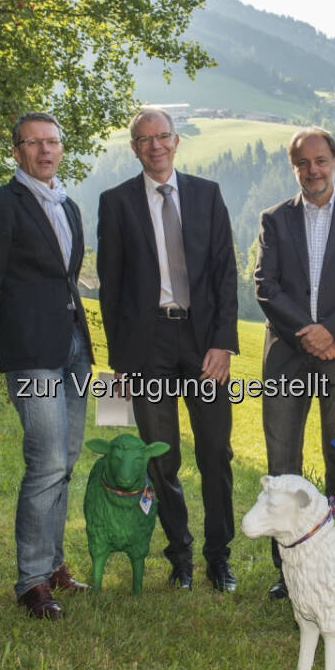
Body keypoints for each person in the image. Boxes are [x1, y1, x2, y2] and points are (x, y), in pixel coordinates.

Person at [96, 107, 239, 592]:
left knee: (216, 452)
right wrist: (121, 366)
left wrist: (222, 343)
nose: (155, 146)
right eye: (144, 139)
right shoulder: (115, 203)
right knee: (161, 457)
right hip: (146, 345)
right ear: (134, 148)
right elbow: (110, 290)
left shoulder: (207, 195)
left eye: (162, 137)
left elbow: (225, 274)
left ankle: (219, 556)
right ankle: (179, 554)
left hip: (203, 343)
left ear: (176, 142)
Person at [0, 112, 94, 620]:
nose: (45, 151)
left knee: (65, 460)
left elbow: (65, 281)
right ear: (16, 151)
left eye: (53, 142)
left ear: (62, 149)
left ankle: (57, 565)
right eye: (33, 143)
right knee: (44, 464)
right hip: (31, 355)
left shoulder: (70, 206)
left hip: (74, 351)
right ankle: (32, 581)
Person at [255, 127, 335, 600]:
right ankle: (288, 572)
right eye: (303, 163)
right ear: (294, 167)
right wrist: (307, 334)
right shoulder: (274, 218)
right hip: (287, 355)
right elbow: (265, 284)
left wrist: (334, 331)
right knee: (282, 462)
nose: (313, 170)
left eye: (321, 160)